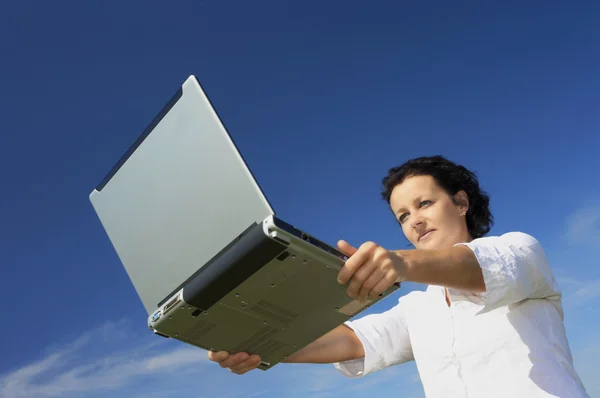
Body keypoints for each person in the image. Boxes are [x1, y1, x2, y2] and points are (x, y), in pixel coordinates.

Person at [208, 155, 589, 397]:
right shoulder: (417, 309)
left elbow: (480, 266)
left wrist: (401, 264)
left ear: (460, 203)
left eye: (424, 203)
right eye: (403, 216)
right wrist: (259, 344)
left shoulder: (522, 250)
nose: (415, 219)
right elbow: (349, 343)